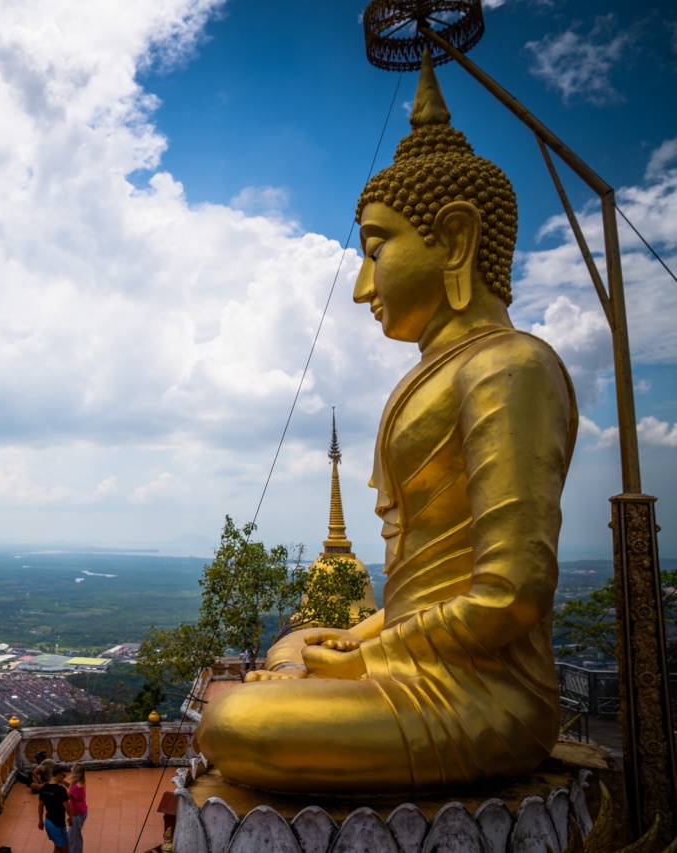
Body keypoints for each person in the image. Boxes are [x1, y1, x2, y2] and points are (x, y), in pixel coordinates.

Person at [194, 51, 577, 794]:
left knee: (238, 724)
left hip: (483, 693)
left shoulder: (510, 365)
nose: (362, 284)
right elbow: (414, 595)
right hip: (418, 655)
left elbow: (510, 592)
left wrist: (368, 655)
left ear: (457, 239)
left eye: (376, 248)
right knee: (296, 638)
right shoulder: (429, 378)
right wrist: (354, 638)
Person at [38, 764, 72, 853]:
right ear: (58, 775)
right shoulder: (61, 790)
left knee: (57, 848)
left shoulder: (44, 787)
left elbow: (40, 806)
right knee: (64, 850)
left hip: (48, 822)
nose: (64, 778)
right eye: (64, 775)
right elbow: (68, 808)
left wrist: (40, 820)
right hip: (58, 824)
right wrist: (71, 818)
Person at [66, 763, 88, 853]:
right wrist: (63, 782)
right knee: (72, 835)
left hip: (77, 813)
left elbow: (68, 796)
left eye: (72, 768)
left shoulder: (77, 786)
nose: (71, 769)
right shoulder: (79, 783)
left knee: (75, 837)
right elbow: (72, 789)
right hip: (79, 811)